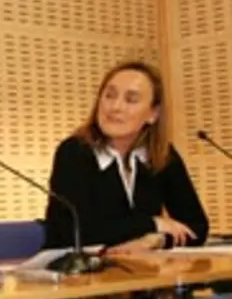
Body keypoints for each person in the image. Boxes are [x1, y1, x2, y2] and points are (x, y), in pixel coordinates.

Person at [43, 60, 209, 253]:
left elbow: (197, 227)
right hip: (79, 276)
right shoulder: (74, 152)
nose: (115, 107)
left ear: (153, 114)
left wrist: (157, 241)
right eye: (109, 96)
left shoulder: (161, 155)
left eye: (131, 99)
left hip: (141, 273)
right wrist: (152, 223)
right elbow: (74, 232)